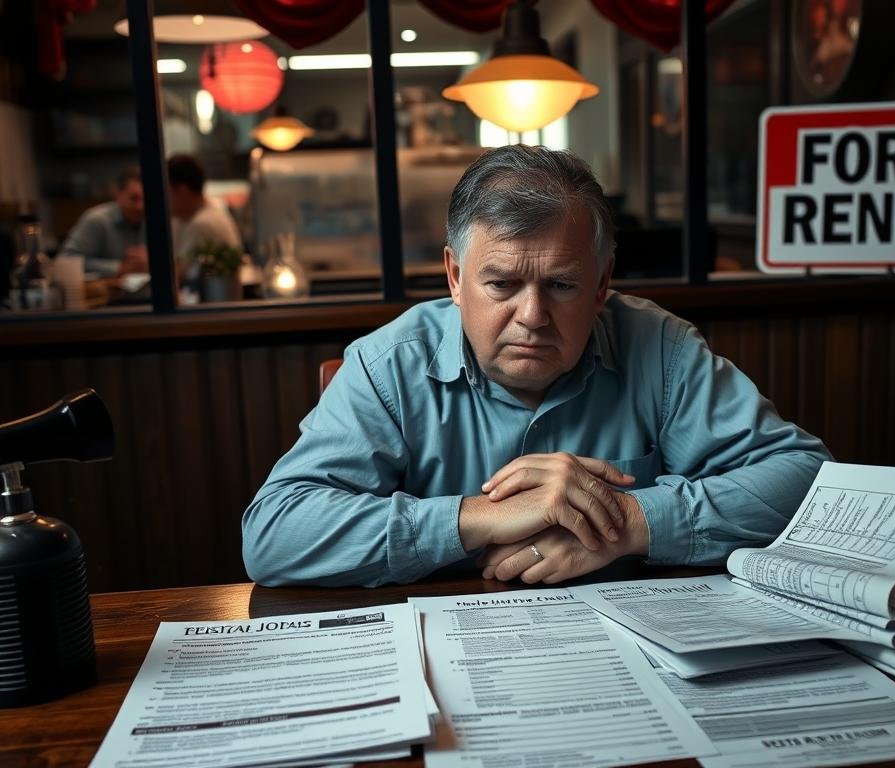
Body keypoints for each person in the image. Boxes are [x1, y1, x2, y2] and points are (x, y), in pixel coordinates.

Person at [242, 145, 831, 588]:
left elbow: (810, 481)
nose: (533, 316)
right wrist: (478, 517)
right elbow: (274, 535)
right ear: (454, 277)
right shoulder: (388, 365)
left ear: (602, 284)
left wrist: (626, 519)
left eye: (562, 284)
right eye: (501, 283)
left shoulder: (661, 348)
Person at [57, 166, 147, 277]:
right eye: (134, 198)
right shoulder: (97, 220)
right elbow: (66, 259)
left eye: (145, 199)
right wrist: (119, 267)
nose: (140, 207)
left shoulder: (152, 219)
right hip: (106, 292)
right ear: (118, 194)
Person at [166, 153, 242, 263]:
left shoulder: (203, 223)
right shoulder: (184, 217)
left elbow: (179, 272)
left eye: (166, 190)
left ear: (183, 190)